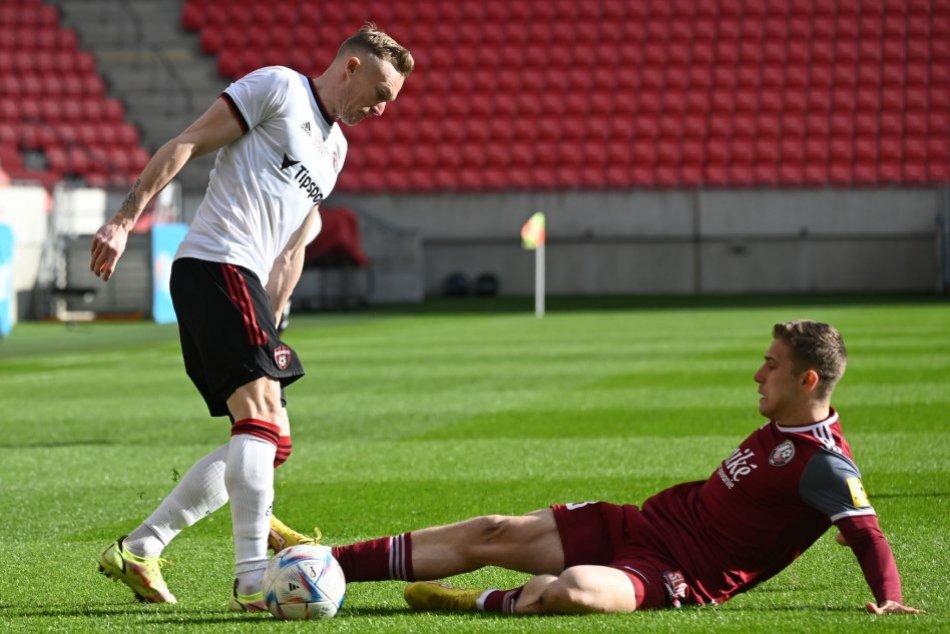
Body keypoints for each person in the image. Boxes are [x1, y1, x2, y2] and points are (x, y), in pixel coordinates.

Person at [271, 320, 922, 616]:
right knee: (495, 530)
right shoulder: (786, 427)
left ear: (807, 379)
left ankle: (480, 601)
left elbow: (866, 529)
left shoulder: (824, 464)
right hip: (642, 524)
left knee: (575, 589)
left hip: (676, 573)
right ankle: (330, 564)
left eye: (772, 365)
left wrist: (889, 596)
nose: (758, 372)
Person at [90, 24, 413, 611]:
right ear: (352, 67)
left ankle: (141, 546)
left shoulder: (336, 150)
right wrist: (123, 220)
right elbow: (187, 142)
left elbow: (294, 243)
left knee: (273, 439)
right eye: (383, 91)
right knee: (262, 424)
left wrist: (276, 321)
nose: (383, 108)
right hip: (216, 263)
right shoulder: (278, 88)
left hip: (248, 287)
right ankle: (250, 580)